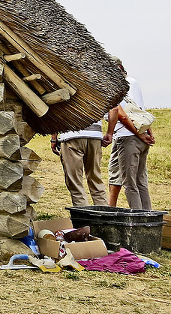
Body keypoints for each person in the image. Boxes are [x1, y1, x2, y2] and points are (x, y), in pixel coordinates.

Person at [104, 57, 154, 210]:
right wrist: (147, 132)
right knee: (141, 181)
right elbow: (140, 110)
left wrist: (138, 134)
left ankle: (138, 219)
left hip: (127, 136)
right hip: (141, 134)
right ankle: (148, 217)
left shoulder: (115, 86)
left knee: (130, 183)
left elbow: (123, 115)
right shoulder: (134, 82)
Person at [50, 121, 108, 207]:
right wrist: (109, 133)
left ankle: (83, 215)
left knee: (75, 181)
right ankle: (104, 215)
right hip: (94, 136)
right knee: (95, 179)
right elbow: (113, 110)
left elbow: (56, 112)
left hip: (71, 135)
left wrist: (54, 137)